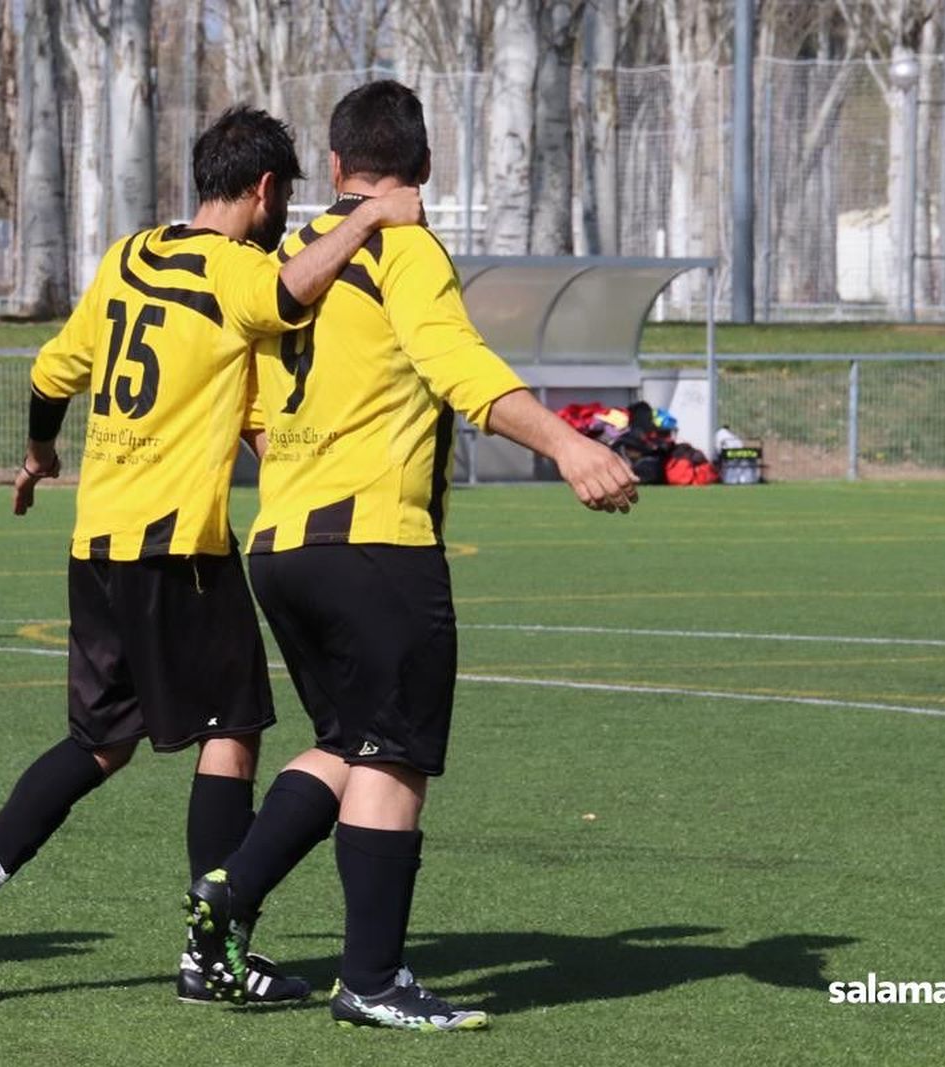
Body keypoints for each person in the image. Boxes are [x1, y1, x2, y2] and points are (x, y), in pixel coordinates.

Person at [0, 105, 424, 1006]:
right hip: (176, 543)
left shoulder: (126, 256)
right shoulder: (235, 268)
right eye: (286, 200)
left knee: (101, 738)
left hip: (98, 536)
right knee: (233, 728)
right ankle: (210, 951)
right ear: (263, 190)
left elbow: (46, 376)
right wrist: (370, 215)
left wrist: (39, 456)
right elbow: (287, 292)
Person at [180, 80, 639, 1032]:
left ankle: (230, 891)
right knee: (395, 755)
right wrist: (568, 443)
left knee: (346, 742)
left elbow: (254, 407)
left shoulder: (289, 258)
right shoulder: (404, 247)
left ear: (337, 168)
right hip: (375, 542)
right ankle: (373, 979)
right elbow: (457, 364)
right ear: (424, 170)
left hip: (282, 544)